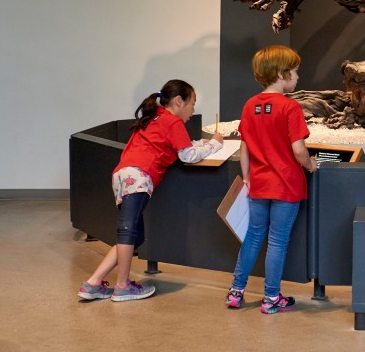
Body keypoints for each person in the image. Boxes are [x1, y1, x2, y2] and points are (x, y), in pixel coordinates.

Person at [77, 79, 223, 302]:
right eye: (192, 104)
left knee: (134, 235)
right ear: (178, 101)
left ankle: (93, 284)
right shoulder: (173, 122)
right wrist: (215, 144)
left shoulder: (154, 117)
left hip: (123, 176)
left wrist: (199, 144)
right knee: (127, 232)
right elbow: (188, 156)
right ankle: (123, 286)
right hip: (139, 176)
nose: (193, 111)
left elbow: (175, 147)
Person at [225, 45, 317, 314]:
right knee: (277, 241)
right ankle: (271, 298)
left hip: (259, 184)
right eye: (296, 71)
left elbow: (245, 147)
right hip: (287, 185)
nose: (298, 76)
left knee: (253, 237)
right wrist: (311, 164)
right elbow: (298, 149)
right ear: (282, 73)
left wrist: (247, 178)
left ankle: (236, 291)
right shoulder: (290, 107)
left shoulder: (249, 105)